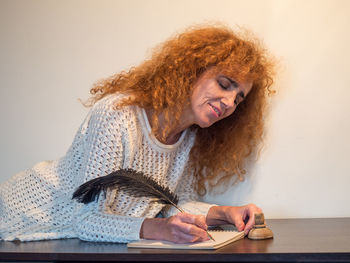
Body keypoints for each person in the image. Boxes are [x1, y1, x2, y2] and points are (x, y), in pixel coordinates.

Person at [0, 25, 275, 243]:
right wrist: (160, 230)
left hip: (64, 242)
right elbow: (86, 221)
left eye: (238, 99)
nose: (229, 103)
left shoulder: (190, 139)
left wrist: (223, 214)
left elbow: (168, 207)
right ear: (191, 72)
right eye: (224, 84)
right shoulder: (117, 115)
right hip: (20, 217)